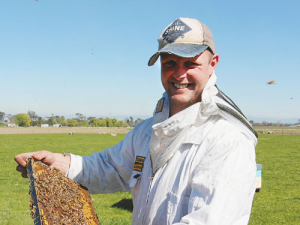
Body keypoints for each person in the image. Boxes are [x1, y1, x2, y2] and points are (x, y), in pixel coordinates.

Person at [15, 17, 258, 224]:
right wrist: (60, 164)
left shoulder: (228, 141)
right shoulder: (147, 131)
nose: (179, 74)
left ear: (212, 64)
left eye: (191, 63)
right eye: (170, 63)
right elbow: (110, 168)